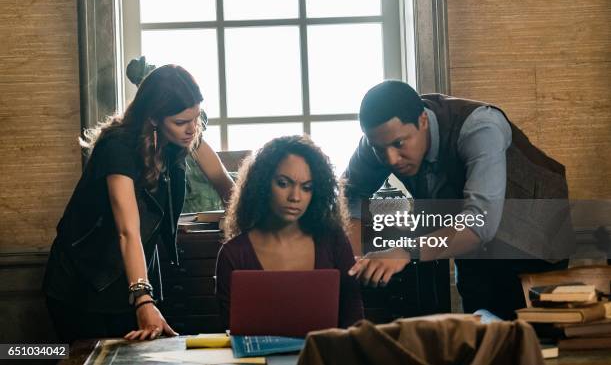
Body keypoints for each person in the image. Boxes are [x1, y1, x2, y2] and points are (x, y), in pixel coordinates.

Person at [344, 80, 573, 320]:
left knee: (533, 341)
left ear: (422, 121)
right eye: (379, 149)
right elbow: (351, 198)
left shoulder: (481, 127)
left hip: (535, 241)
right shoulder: (380, 142)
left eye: (400, 144)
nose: (391, 159)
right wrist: (355, 260)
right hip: (472, 248)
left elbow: (478, 223)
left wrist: (404, 252)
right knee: (478, 333)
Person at [43, 64, 234, 343]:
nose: (192, 129)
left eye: (196, 118)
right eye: (181, 122)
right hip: (82, 281)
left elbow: (223, 182)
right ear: (154, 118)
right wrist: (143, 299)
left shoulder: (184, 134)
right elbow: (127, 230)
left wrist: (256, 222)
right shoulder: (117, 146)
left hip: (129, 274)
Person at [215, 135, 364, 329]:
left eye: (306, 187)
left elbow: (354, 321)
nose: (295, 197)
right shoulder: (233, 254)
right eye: (283, 184)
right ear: (262, 184)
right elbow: (232, 328)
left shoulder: (333, 242)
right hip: (258, 359)